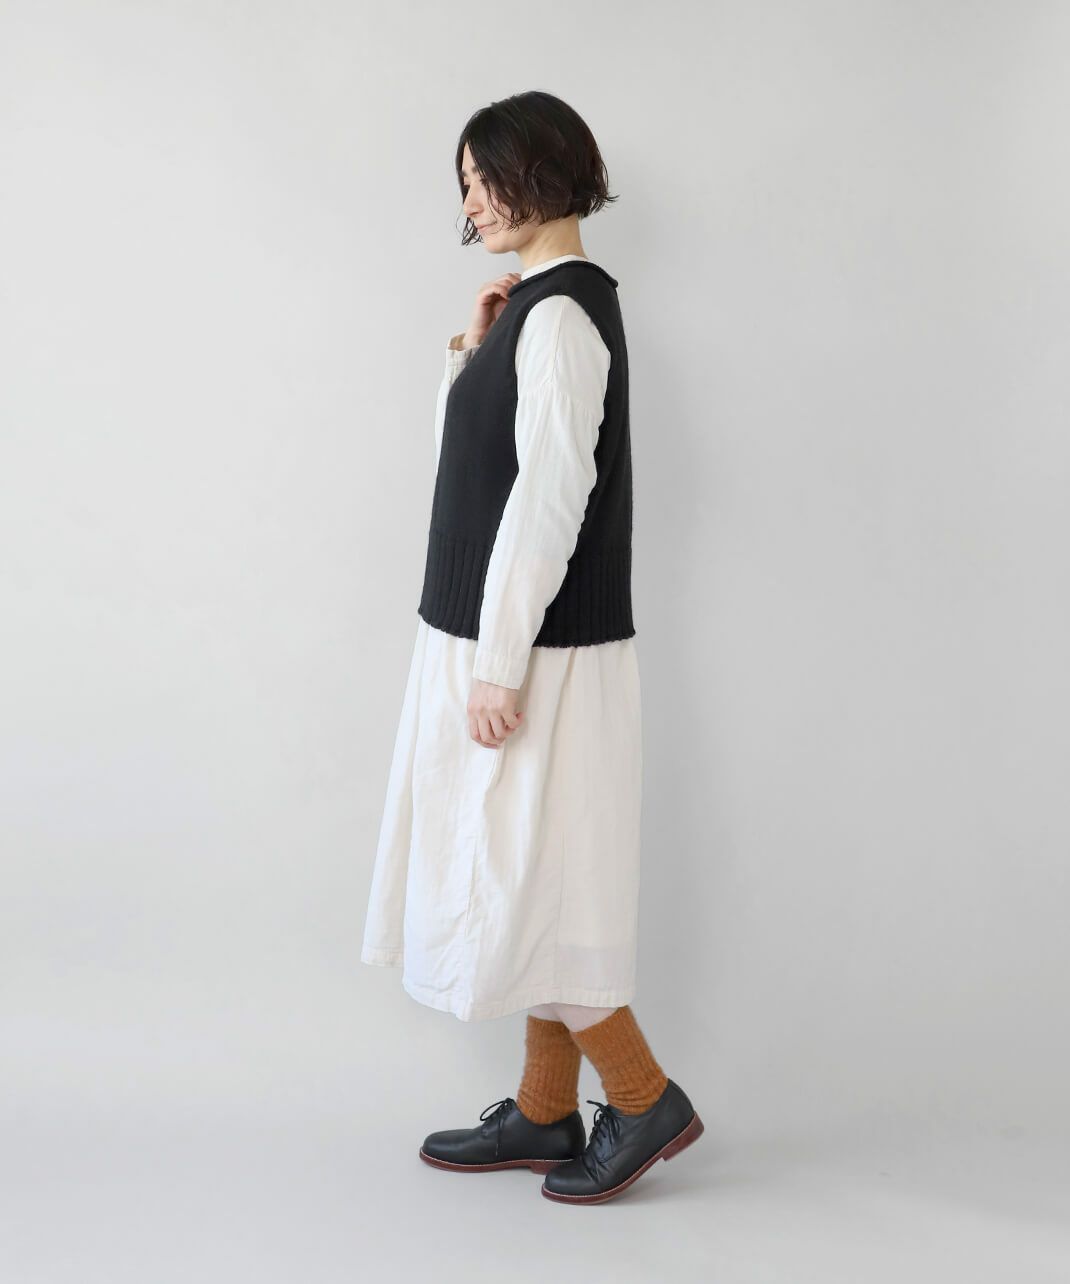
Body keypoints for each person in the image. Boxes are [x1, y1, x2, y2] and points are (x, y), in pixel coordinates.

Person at [361, 90, 703, 1204]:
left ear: (540, 171)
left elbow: (549, 501)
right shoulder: (533, 312)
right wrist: (474, 348)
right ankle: (548, 1111)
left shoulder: (562, 319)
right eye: (462, 185)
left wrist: (498, 663)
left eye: (482, 178)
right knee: (525, 871)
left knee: (528, 881)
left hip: (534, 652)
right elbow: (471, 471)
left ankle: (641, 1097)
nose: (470, 202)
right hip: (497, 637)